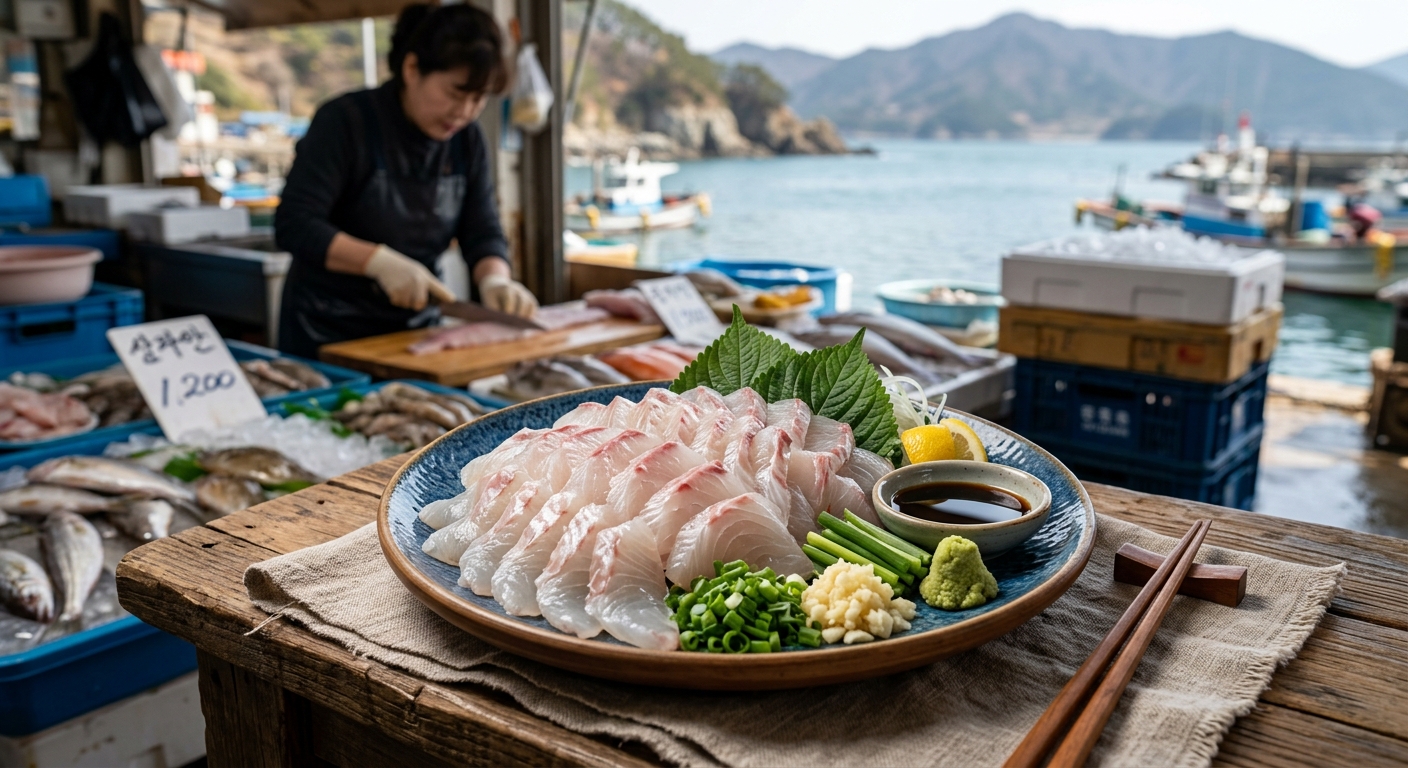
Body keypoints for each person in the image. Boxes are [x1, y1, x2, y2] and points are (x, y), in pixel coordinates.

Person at [273, 3, 537, 358]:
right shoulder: (345, 122)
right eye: (456, 94)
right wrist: (377, 262)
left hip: (415, 335)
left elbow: (482, 230)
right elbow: (295, 223)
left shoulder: (466, 140)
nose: (465, 112)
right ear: (412, 69)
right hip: (326, 334)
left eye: (479, 99)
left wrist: (495, 278)